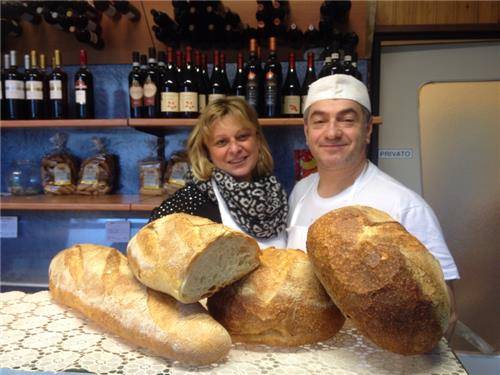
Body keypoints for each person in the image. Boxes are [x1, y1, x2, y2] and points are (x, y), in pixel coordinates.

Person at [287, 74, 459, 336]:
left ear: (367, 129)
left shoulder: (403, 205)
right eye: (320, 121)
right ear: (307, 132)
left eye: (347, 120)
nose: (332, 132)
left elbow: (446, 311)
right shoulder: (300, 191)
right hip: (308, 345)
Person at [150, 97, 288, 249]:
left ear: (257, 139)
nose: (235, 149)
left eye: (242, 136)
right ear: (206, 151)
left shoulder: (275, 194)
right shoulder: (189, 201)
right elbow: (150, 251)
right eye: (222, 142)